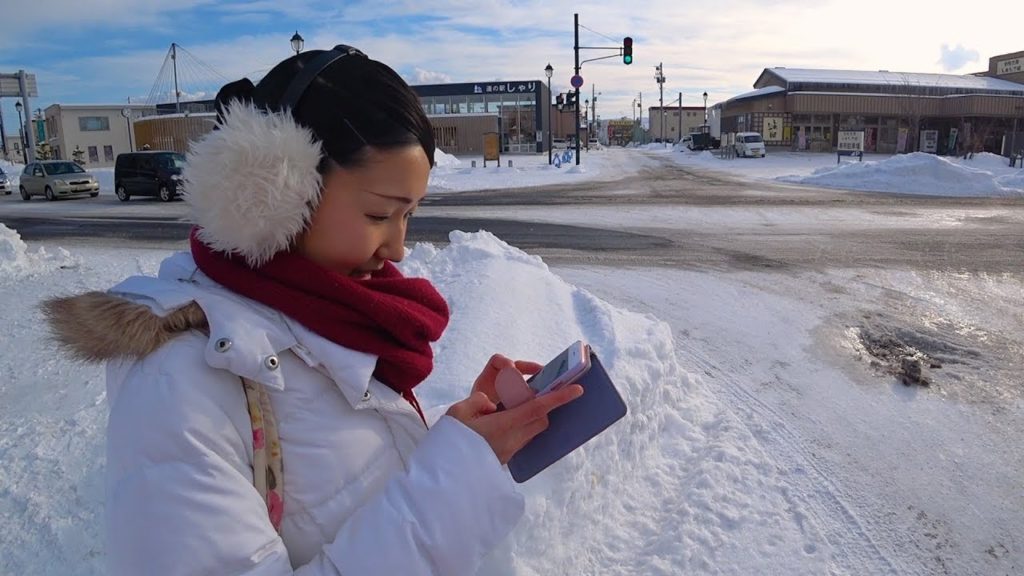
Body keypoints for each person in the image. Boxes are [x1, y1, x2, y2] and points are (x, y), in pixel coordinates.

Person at [43, 44, 583, 575]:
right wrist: (458, 480)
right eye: (379, 214)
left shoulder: (324, 317)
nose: (398, 248)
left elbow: (351, 485)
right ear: (276, 190)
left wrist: (460, 438)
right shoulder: (179, 383)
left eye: (409, 215)